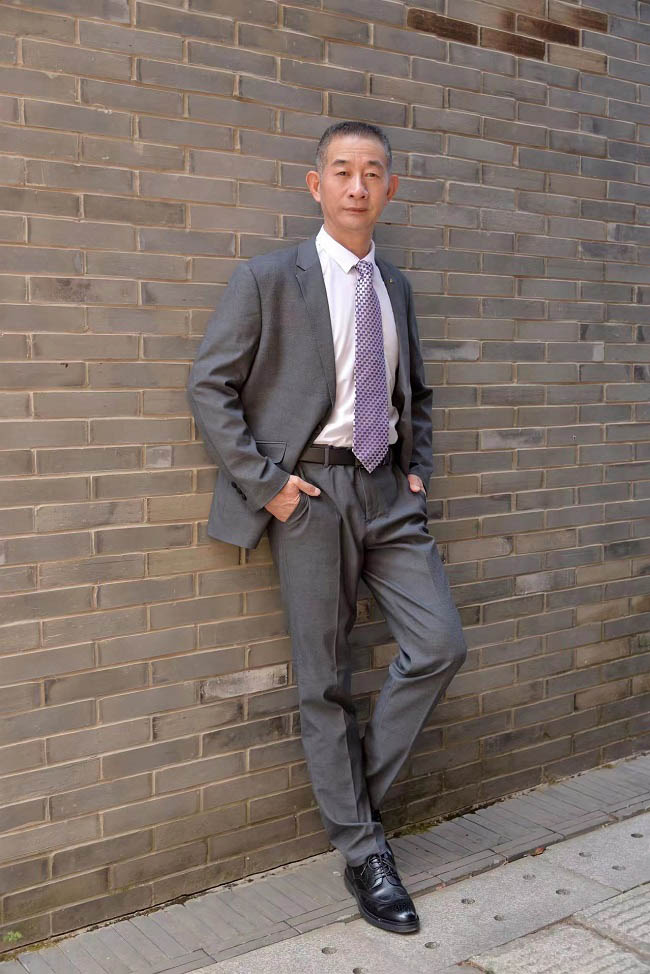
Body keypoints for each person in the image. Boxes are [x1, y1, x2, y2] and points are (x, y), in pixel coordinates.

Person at [186, 120, 468, 935]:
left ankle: (354, 810)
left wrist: (418, 469)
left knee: (441, 644)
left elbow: (417, 390)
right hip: (309, 494)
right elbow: (209, 386)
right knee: (325, 679)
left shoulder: (395, 286)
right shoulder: (270, 278)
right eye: (342, 170)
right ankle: (365, 854)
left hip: (388, 493)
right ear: (317, 185)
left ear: (390, 189)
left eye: (372, 172)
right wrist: (269, 487)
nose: (357, 185)